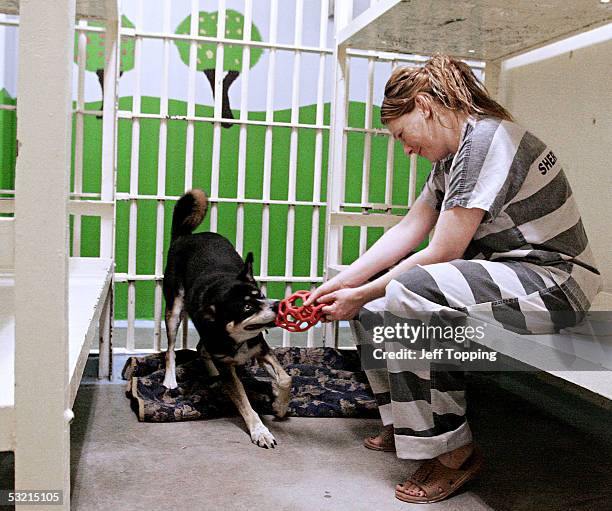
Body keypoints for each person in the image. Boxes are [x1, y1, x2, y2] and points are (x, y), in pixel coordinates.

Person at [305, 53, 601, 504]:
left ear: (425, 105)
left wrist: (358, 290)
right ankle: (408, 424)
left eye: (403, 135)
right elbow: (409, 229)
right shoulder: (452, 157)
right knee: (375, 305)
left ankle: (452, 453)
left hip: (557, 282)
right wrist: (343, 285)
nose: (405, 148)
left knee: (410, 292)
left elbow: (443, 252)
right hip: (513, 273)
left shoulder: (486, 142)